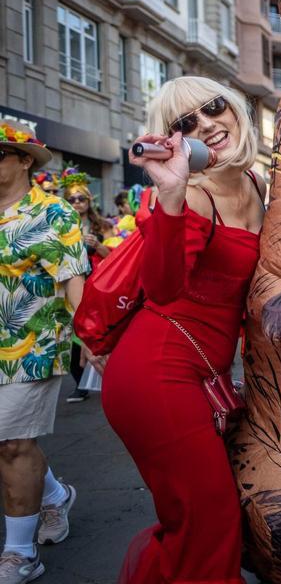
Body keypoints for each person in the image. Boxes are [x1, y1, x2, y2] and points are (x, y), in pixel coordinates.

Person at [100, 77, 265, 584]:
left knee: (205, 523)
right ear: (176, 141)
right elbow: (163, 288)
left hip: (208, 373)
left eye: (214, 107)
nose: (207, 124)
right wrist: (170, 197)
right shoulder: (191, 196)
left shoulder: (259, 183)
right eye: (187, 123)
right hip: (155, 375)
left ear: (234, 107)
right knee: (208, 522)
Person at [0, 119, 87, 584]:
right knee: (7, 442)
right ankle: (54, 496)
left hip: (33, 344)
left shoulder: (52, 213)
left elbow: (73, 278)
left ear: (24, 160)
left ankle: (20, 554)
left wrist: (90, 336)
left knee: (12, 444)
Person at [59, 168, 112, 404]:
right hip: (69, 287)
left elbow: (117, 259)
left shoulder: (102, 225)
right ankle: (81, 384)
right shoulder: (60, 226)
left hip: (96, 288)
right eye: (71, 199)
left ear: (89, 201)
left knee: (98, 335)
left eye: (81, 198)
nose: (77, 203)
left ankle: (112, 379)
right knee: (73, 339)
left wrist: (98, 246)